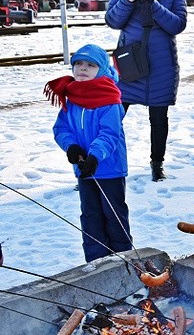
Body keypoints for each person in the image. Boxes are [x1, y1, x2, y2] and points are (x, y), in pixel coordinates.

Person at [105, 0, 187, 182]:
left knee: (158, 119)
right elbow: (112, 20)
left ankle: (157, 164)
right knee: (114, 114)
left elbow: (177, 24)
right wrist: (127, 0)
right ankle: (101, 160)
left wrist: (153, 4)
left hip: (161, 66)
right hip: (130, 63)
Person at [46, 44, 131, 266]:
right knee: (91, 216)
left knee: (114, 217)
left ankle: (124, 262)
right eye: (79, 64)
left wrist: (94, 156)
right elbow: (61, 129)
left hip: (109, 168)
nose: (83, 69)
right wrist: (71, 147)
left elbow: (109, 134)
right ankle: (95, 264)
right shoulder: (71, 97)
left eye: (90, 65)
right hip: (84, 169)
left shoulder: (109, 98)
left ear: (101, 69)